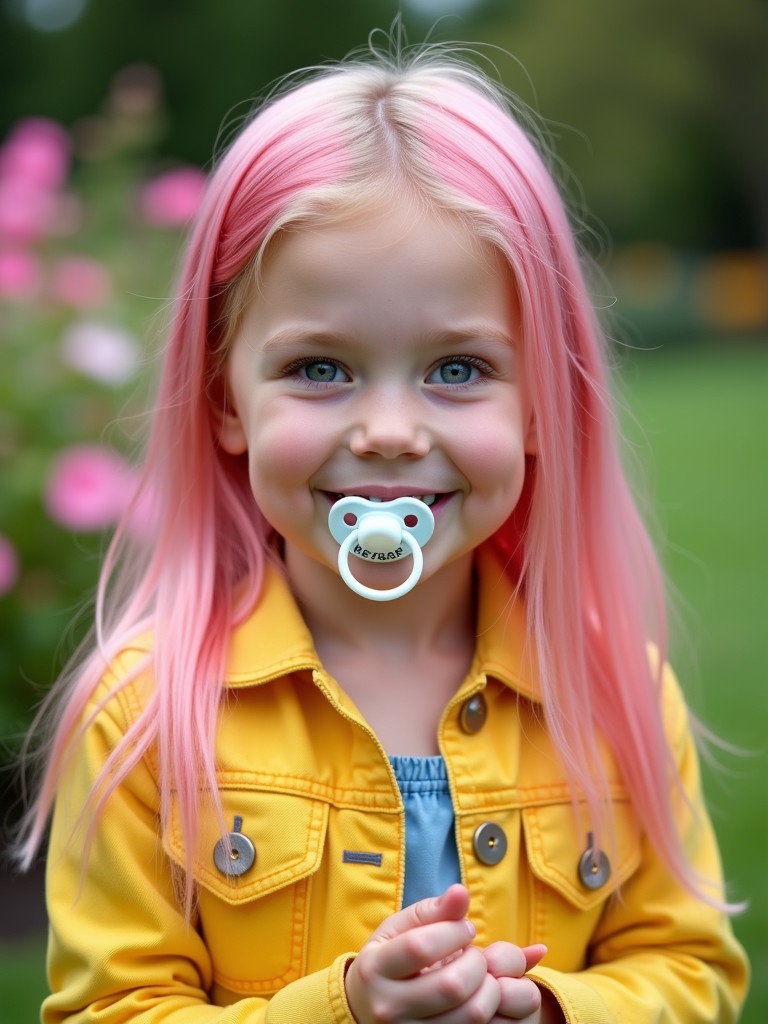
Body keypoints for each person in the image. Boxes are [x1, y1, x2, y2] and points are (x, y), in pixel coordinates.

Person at [15, 40, 749, 1024]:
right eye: (320, 368)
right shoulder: (148, 716)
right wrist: (344, 1008)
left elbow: (690, 970)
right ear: (225, 398)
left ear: (540, 403)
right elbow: (112, 1009)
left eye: (457, 368)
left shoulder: (611, 688)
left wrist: (547, 1010)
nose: (392, 432)